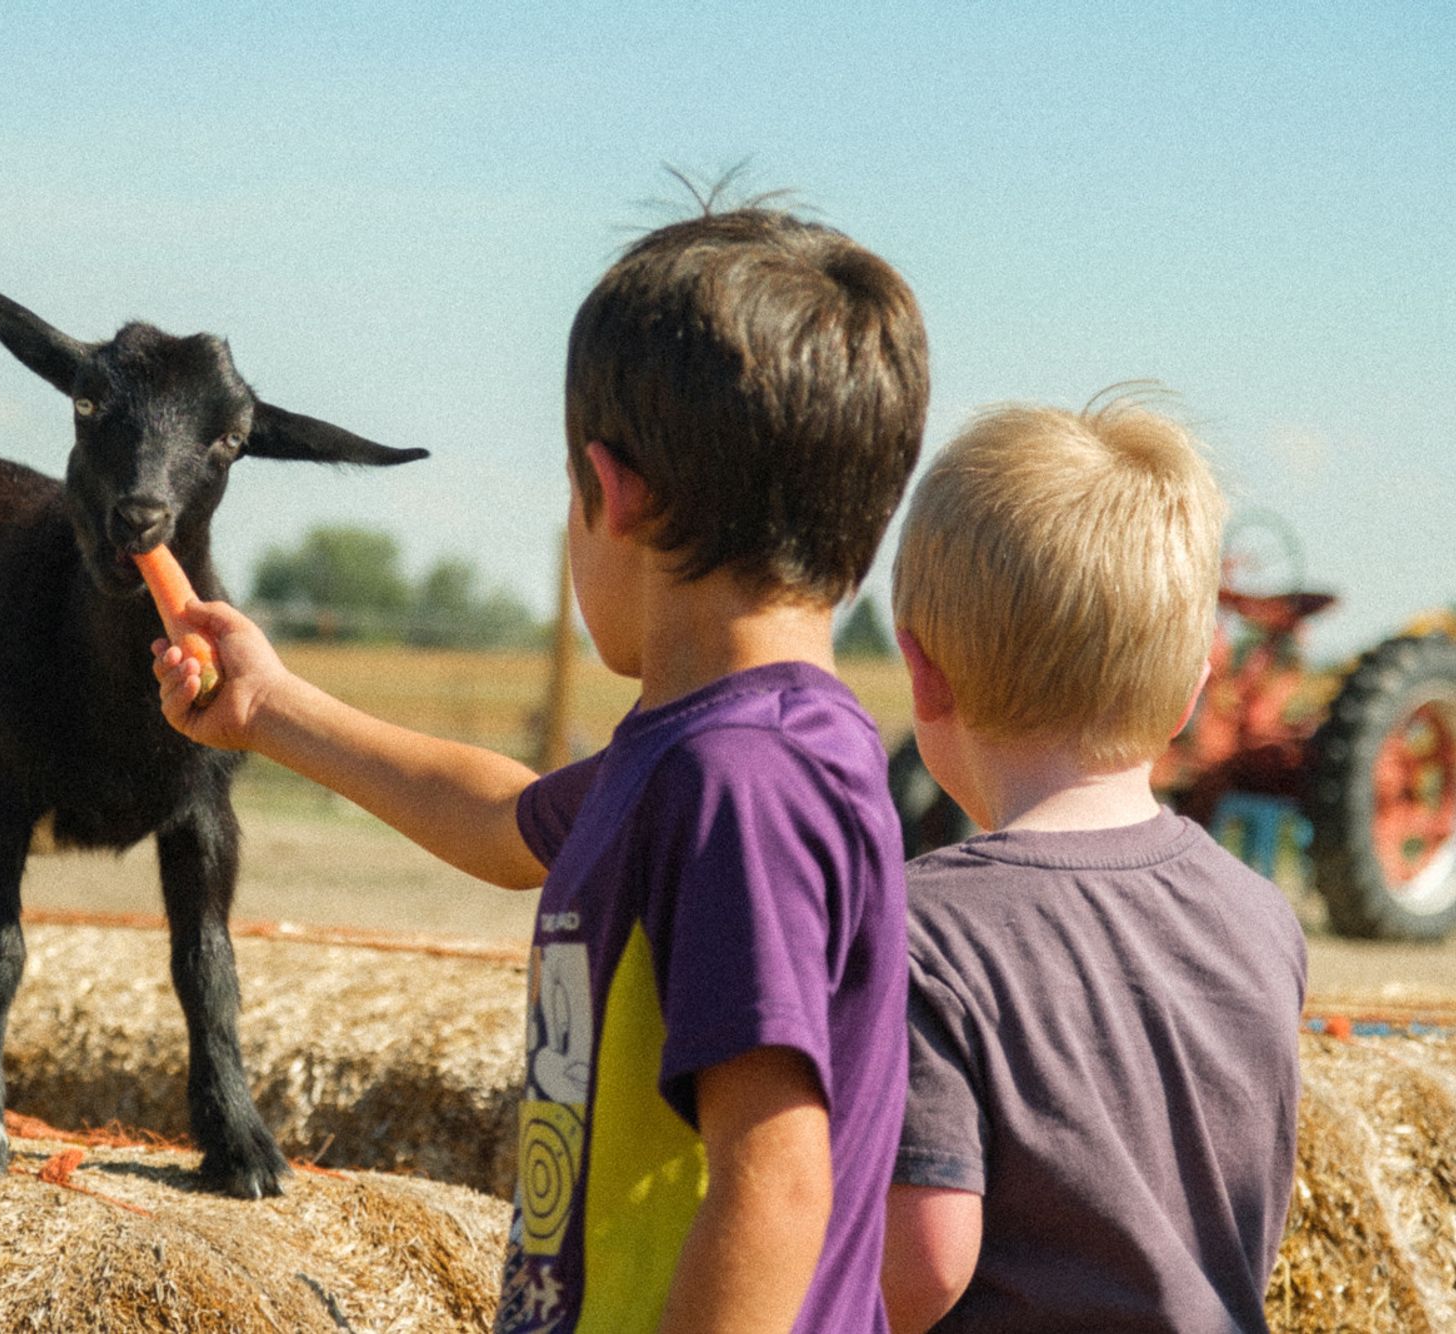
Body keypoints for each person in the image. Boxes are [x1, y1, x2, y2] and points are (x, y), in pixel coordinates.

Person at [152, 203, 929, 1331]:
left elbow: (773, 1180)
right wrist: (271, 706)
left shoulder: (740, 782)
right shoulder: (703, 754)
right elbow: (503, 816)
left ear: (611, 492)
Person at [877, 400, 1306, 1333]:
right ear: (1197, 685)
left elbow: (919, 1271)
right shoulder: (1261, 915)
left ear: (921, 671)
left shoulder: (915, 934)